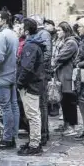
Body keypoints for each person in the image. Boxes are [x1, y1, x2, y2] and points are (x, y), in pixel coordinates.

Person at [0, 11, 19, 150]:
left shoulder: (2, 35)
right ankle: (12, 135)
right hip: (11, 74)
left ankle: (7, 138)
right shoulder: (13, 34)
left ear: (5, 20)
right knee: (13, 106)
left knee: (5, 107)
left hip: (1, 76)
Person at [17, 18, 45, 156]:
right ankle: (33, 140)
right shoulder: (33, 44)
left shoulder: (30, 46)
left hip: (30, 85)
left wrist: (20, 82)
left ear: (26, 31)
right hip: (32, 84)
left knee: (33, 115)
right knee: (32, 114)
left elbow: (27, 68)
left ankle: (35, 144)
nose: (19, 29)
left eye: (21, 28)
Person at [52, 22, 79, 136]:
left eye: (59, 30)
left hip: (67, 76)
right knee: (63, 101)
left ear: (65, 31)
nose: (57, 32)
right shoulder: (61, 42)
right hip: (61, 74)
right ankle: (66, 124)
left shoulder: (71, 43)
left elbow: (61, 56)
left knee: (69, 101)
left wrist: (53, 62)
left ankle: (72, 126)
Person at [29, 15, 51, 146]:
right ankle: (42, 132)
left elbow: (47, 54)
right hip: (40, 73)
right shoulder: (40, 34)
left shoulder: (44, 34)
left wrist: (39, 66)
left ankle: (43, 133)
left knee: (42, 105)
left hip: (41, 74)